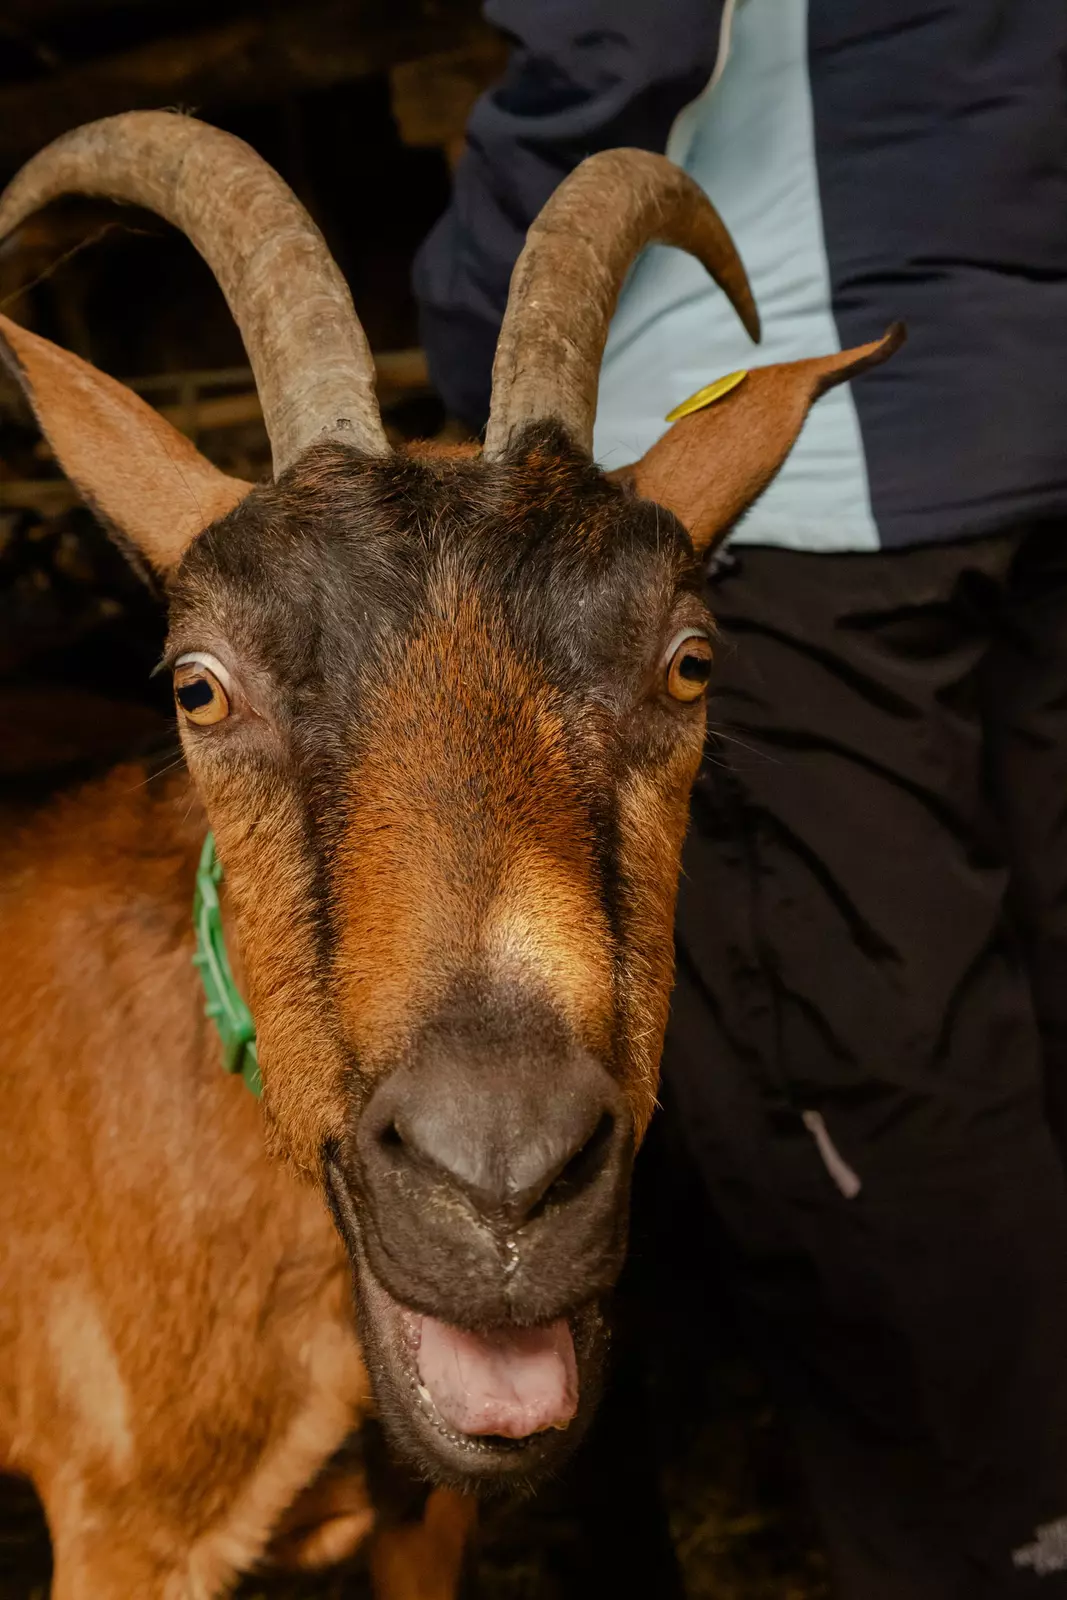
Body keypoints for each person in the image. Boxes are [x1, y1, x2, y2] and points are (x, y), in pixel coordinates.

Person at [413, 3, 1067, 1596]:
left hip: (790, 466)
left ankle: (1004, 1562)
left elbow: (626, 34)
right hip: (1020, 417)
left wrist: (465, 314)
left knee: (869, 1097)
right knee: (1030, 1028)